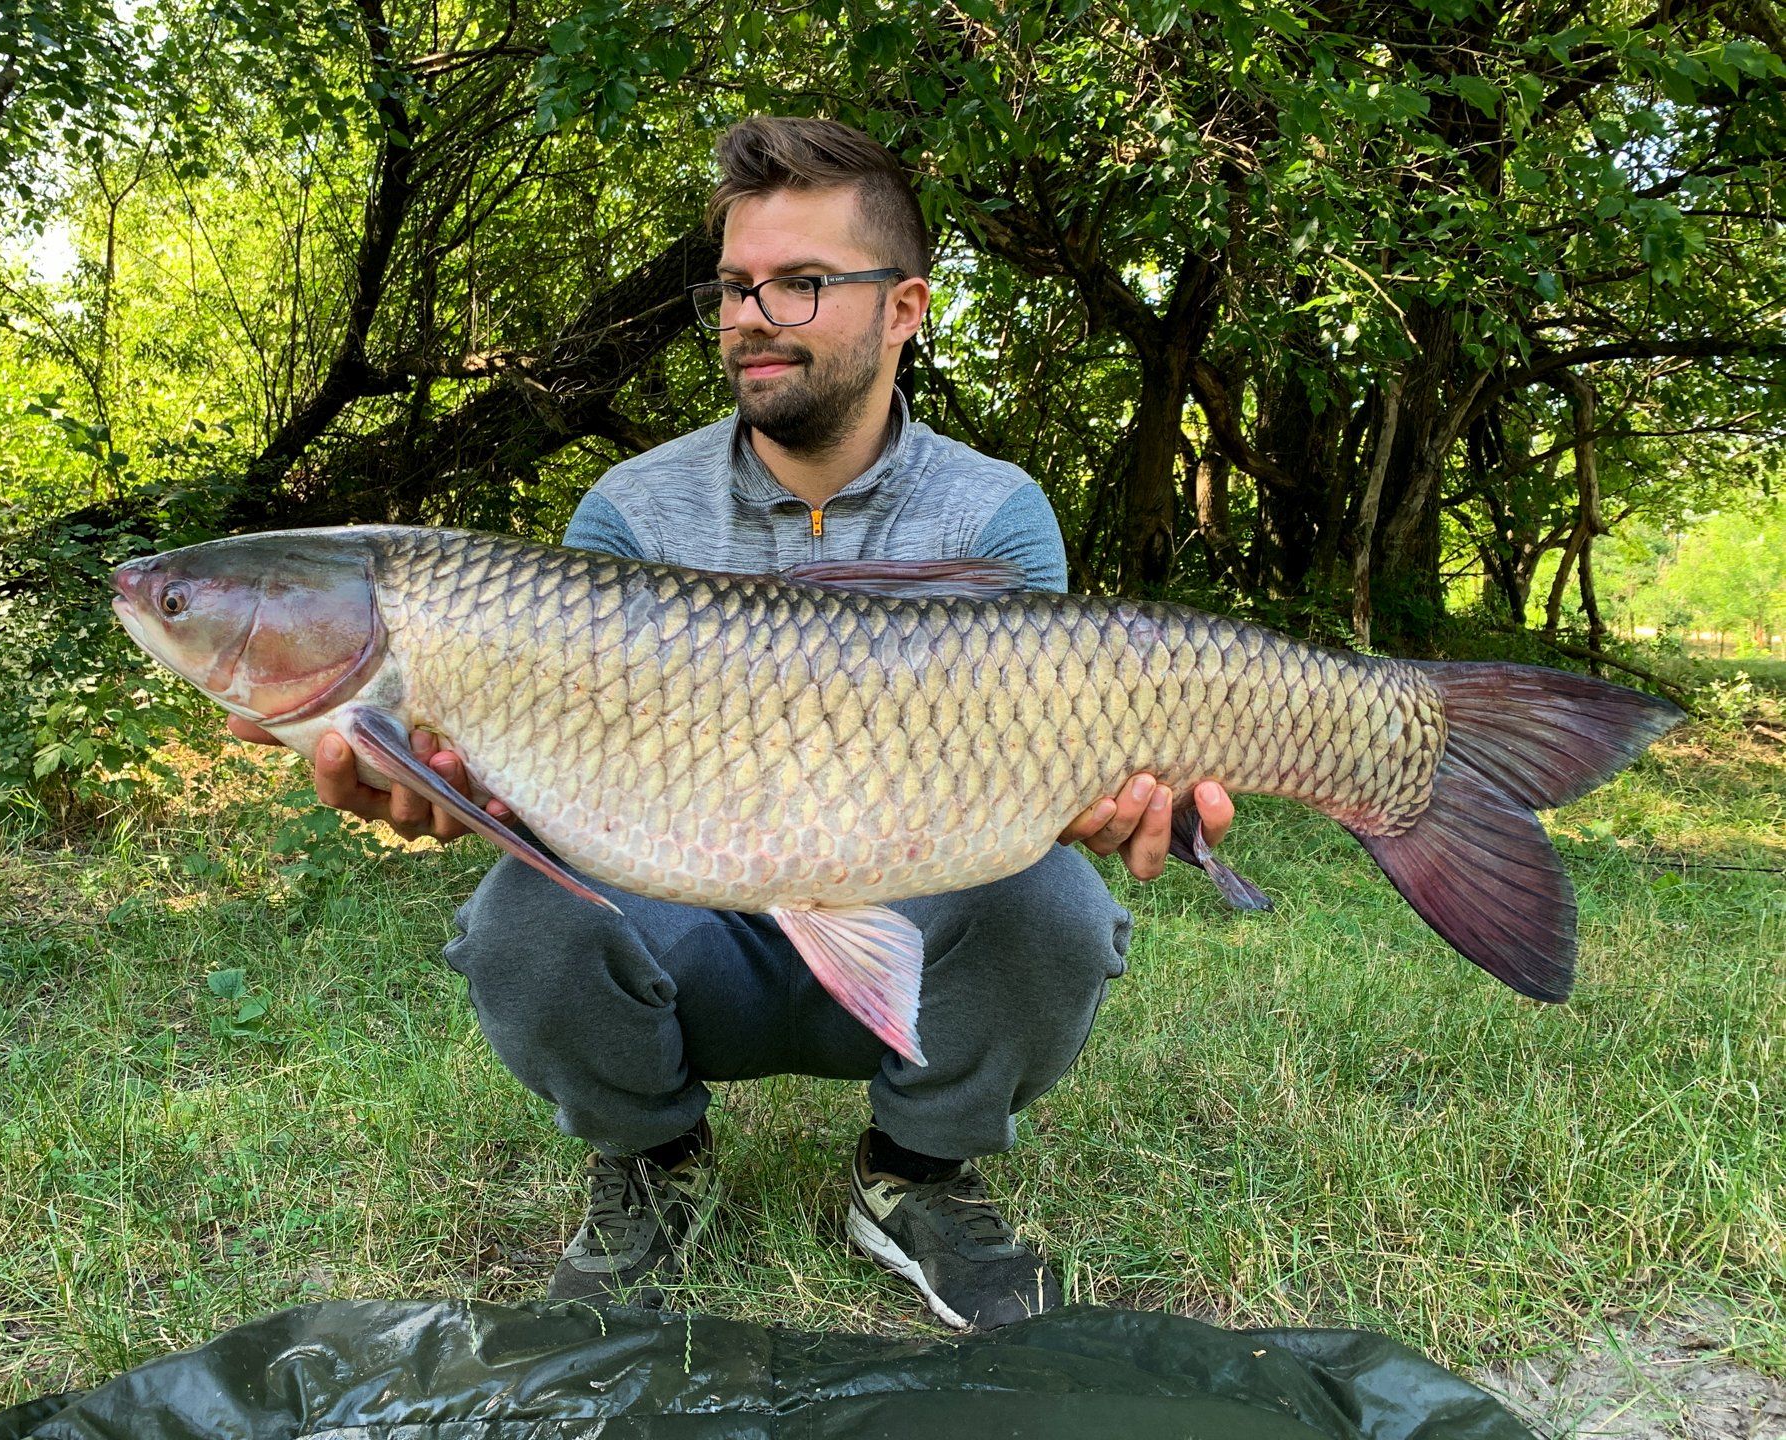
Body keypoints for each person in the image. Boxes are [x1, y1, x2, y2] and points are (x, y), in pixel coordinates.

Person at [231, 116, 1234, 1332]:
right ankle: (654, 1163)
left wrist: (1110, 798)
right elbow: (533, 796)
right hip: (683, 918)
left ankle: (913, 1173)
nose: (751, 315)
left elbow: (1042, 776)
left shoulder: (993, 512)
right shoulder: (631, 506)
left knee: (1056, 907)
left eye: (801, 285)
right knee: (518, 921)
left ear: (905, 307)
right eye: (736, 285)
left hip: (905, 901)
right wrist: (451, 790)